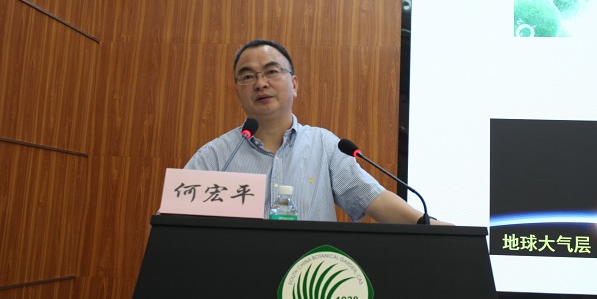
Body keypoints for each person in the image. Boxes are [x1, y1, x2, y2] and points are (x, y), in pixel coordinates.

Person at [185, 39, 448, 225]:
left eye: (271, 72)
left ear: (294, 84)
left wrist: (438, 229)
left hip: (308, 281)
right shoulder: (216, 157)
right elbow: (174, 222)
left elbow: (375, 201)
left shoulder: (324, 145)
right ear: (238, 92)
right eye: (247, 76)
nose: (260, 83)